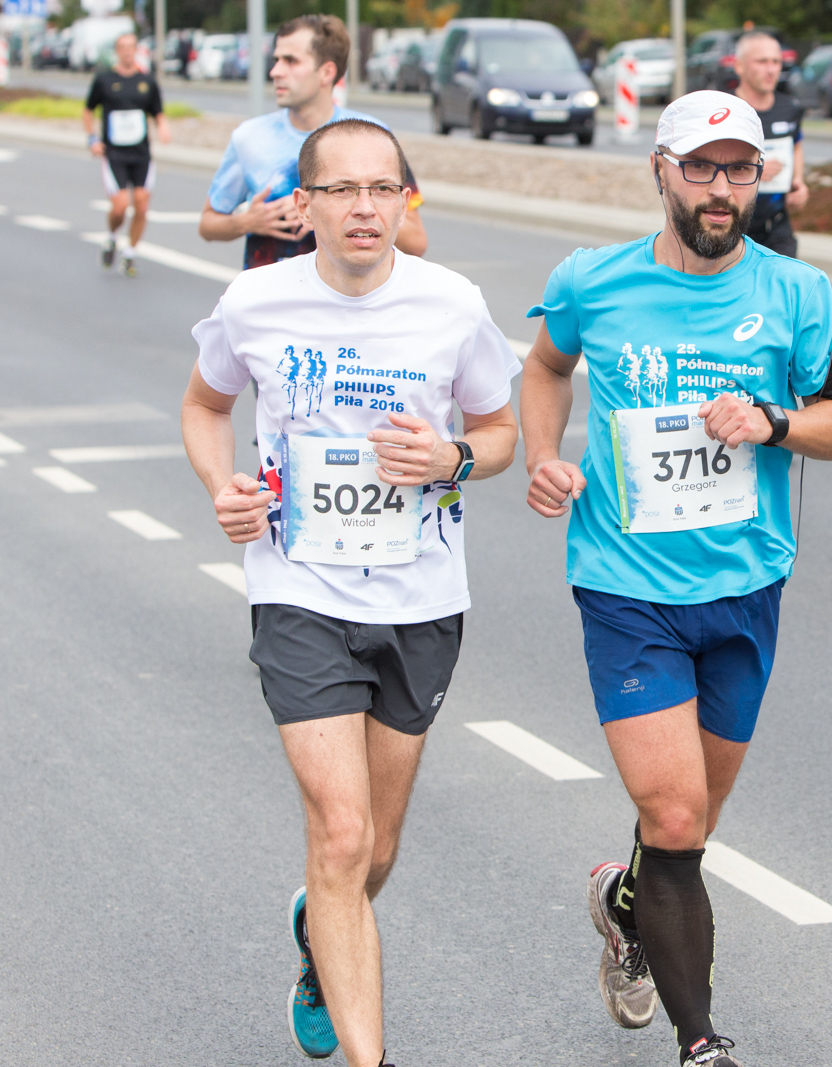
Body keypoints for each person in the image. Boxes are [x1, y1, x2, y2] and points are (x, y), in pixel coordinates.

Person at [521, 91, 832, 1067]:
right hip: (626, 584)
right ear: (661, 170)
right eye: (703, 169)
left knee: (688, 827)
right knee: (670, 813)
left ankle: (628, 902)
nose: (722, 190)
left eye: (741, 170)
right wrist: (546, 453)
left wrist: (774, 421)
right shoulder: (593, 280)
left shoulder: (797, 292)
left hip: (746, 585)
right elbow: (543, 369)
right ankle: (701, 1039)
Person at [181, 118, 520, 1067]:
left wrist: (452, 457)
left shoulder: (453, 305)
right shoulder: (255, 302)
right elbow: (205, 406)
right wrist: (224, 490)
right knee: (338, 829)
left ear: (404, 199)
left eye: (384, 189)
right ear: (307, 203)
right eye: (342, 190)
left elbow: (498, 437)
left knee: (372, 851)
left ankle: (319, 935)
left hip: (421, 600)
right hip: (299, 590)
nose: (365, 207)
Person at [199, 14, 427, 270]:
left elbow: (416, 241)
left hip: (350, 302)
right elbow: (207, 225)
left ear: (326, 72)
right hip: (272, 302)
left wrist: (322, 212)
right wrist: (247, 222)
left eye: (291, 61)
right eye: (276, 60)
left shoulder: (373, 136)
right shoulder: (249, 137)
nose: (275, 72)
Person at [83, 32, 171, 277]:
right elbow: (87, 111)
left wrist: (163, 127)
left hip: (141, 153)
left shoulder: (147, 81)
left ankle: (130, 254)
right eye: (122, 47)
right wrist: (92, 139)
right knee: (120, 207)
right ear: (117, 51)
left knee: (142, 206)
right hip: (114, 153)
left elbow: (158, 112)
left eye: (131, 47)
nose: (127, 51)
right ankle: (112, 237)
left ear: (136, 50)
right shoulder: (104, 80)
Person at [731, 31, 808, 258]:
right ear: (740, 66)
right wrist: (750, 170)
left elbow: (796, 146)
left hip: (776, 228)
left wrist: (798, 187)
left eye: (776, 62)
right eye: (762, 61)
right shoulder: (724, 109)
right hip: (732, 227)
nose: (771, 69)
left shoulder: (791, 108)